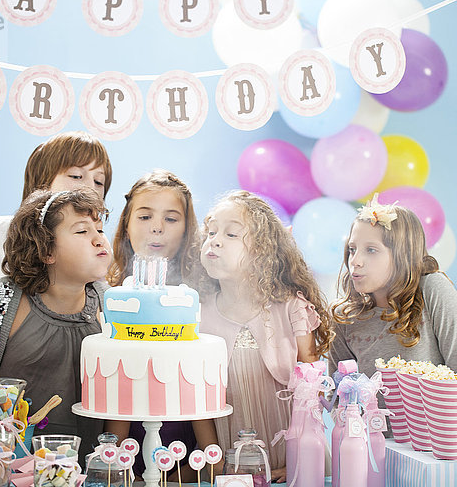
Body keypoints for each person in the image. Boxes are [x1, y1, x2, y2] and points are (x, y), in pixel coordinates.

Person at [0, 188, 112, 462]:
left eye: (99, 230)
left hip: (82, 464)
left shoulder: (112, 306)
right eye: (82, 231)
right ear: (46, 250)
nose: (99, 239)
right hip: (1, 460)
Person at [199, 190, 334, 483]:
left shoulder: (292, 309)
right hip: (231, 470)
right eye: (211, 232)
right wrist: (217, 465)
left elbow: (313, 395)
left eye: (232, 234)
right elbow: (198, 404)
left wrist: (299, 461)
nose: (215, 240)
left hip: (297, 463)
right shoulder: (198, 317)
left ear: (262, 251)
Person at [0, 131, 113, 333]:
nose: (89, 187)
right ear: (42, 181)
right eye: (75, 176)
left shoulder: (97, 246)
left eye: (99, 182)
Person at [105, 169, 216, 480]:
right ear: (126, 225)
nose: (157, 228)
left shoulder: (197, 296)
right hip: (115, 450)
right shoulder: (106, 295)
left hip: (185, 455)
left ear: (186, 229)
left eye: (171, 218)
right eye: (144, 217)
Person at [330, 194, 457, 383]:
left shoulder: (432, 289)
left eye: (371, 250)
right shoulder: (345, 317)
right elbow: (338, 395)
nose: (355, 261)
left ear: (402, 255)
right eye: (352, 249)